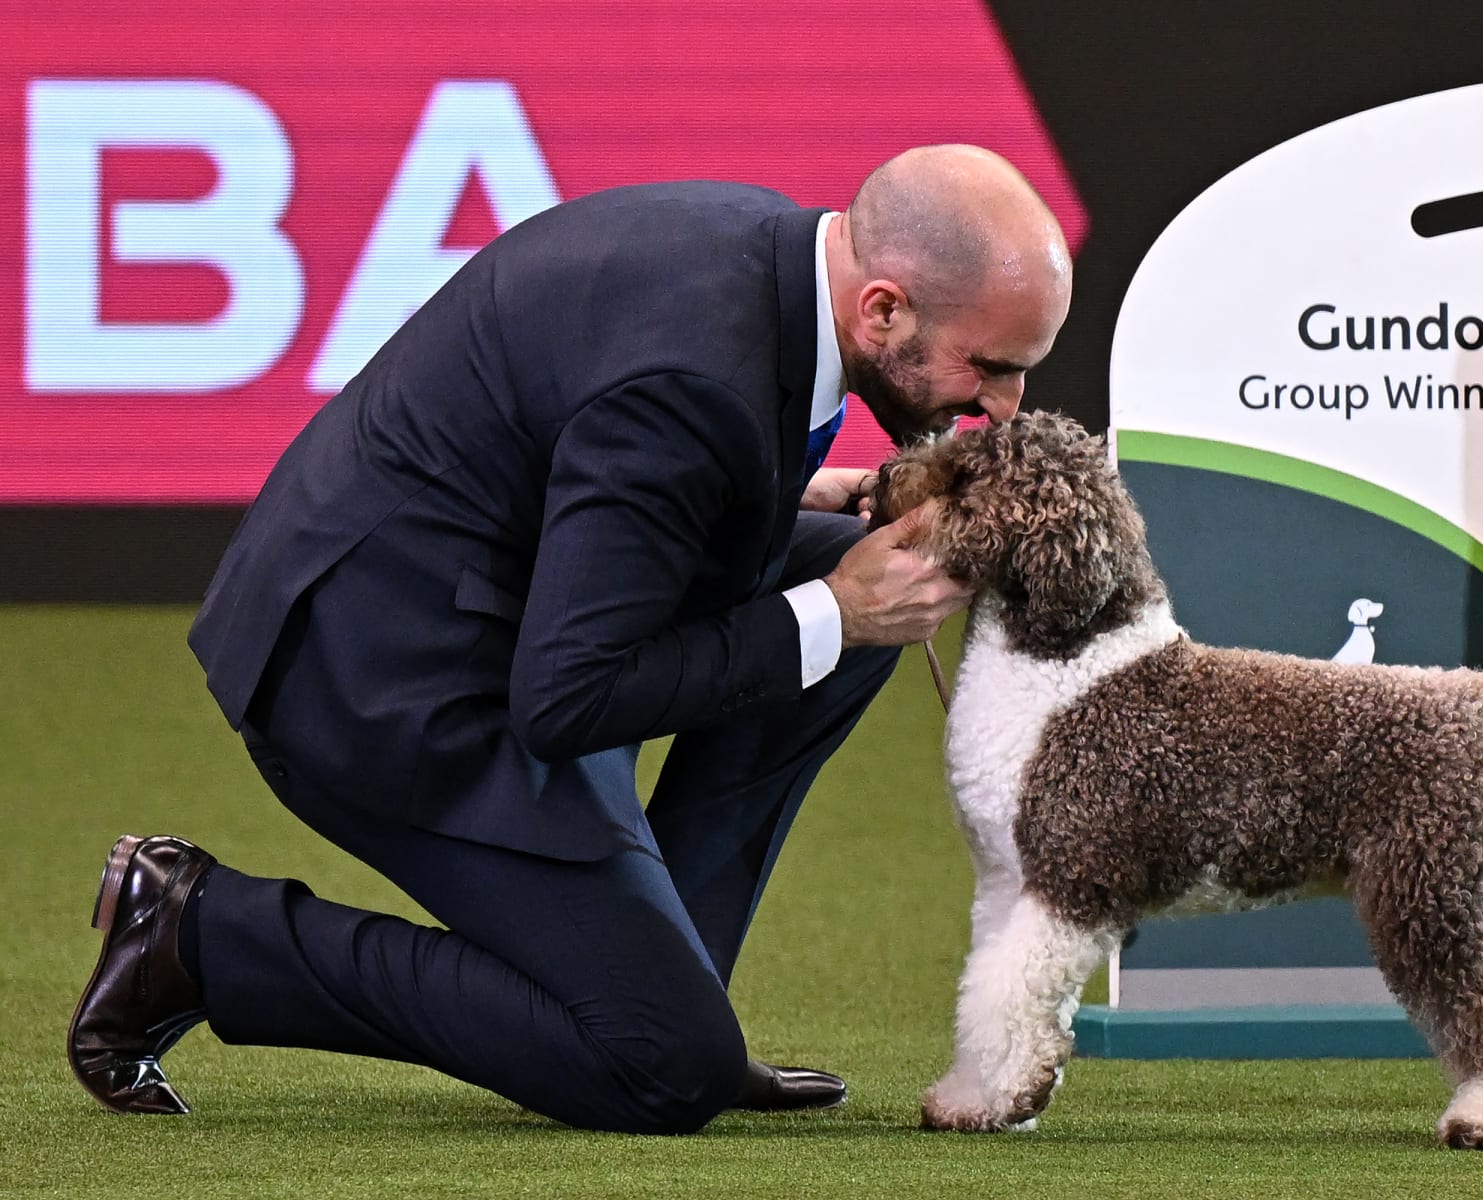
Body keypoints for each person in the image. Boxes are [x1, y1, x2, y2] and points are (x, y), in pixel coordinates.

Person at [67, 145, 1073, 1133]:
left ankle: (663, 981)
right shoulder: (697, 381)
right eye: (989, 367)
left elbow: (600, 437)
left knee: (847, 595)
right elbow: (569, 696)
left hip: (481, 595)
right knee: (664, 1067)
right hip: (373, 678)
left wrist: (794, 507)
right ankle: (200, 932)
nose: (1001, 406)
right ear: (883, 308)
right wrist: (837, 613)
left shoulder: (772, 257)